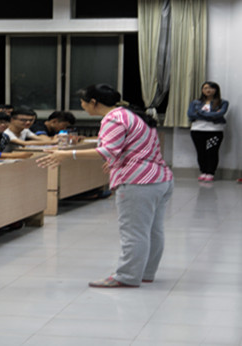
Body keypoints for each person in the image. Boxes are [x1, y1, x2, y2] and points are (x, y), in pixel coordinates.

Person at [37, 84, 174, 288]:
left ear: (94, 102)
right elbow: (134, 147)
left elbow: (107, 151)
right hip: (160, 178)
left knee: (134, 232)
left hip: (137, 181)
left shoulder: (113, 118)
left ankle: (127, 276)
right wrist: (115, 160)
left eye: (83, 102)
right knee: (153, 230)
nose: (82, 107)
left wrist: (66, 154)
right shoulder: (132, 115)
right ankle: (146, 272)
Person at [187, 81, 229, 182]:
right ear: (202, 90)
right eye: (205, 88)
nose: (208, 90)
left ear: (216, 90)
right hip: (197, 130)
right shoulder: (195, 102)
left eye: (210, 88)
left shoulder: (223, 102)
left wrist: (200, 113)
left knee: (212, 152)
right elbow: (191, 114)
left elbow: (219, 114)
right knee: (201, 152)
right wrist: (211, 115)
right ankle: (203, 171)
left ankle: (210, 173)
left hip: (214, 131)